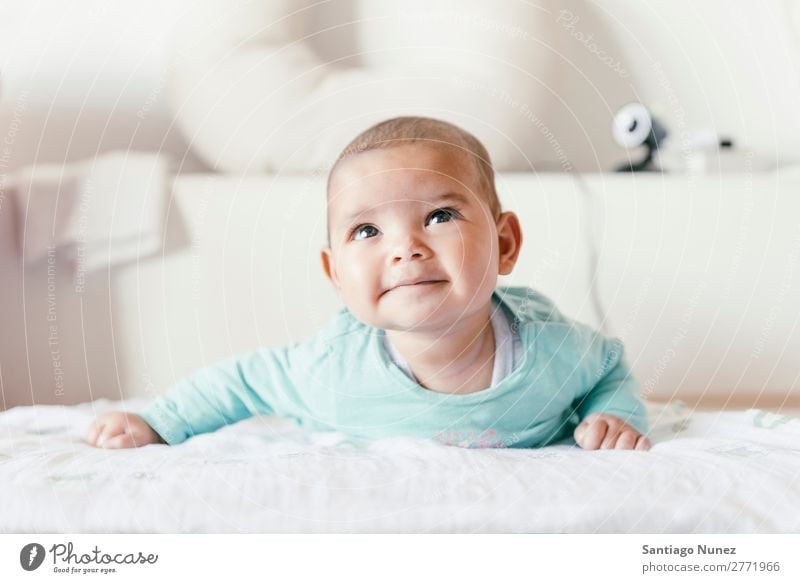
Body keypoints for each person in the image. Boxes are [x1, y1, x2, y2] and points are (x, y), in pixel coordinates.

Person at [86, 117, 651, 451]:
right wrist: (158, 422)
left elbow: (610, 367)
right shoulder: (329, 368)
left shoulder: (553, 349)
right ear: (336, 274)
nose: (406, 247)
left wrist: (617, 414)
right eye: (366, 229)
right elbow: (241, 382)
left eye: (440, 217)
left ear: (504, 244)